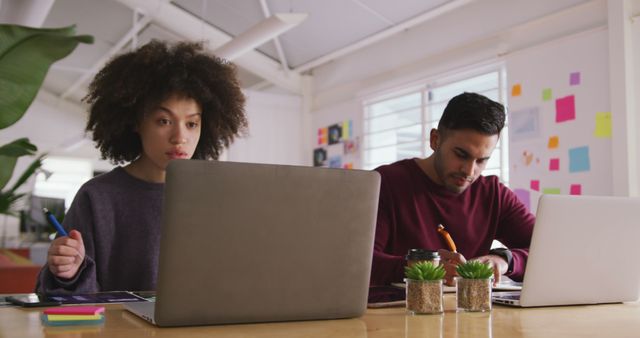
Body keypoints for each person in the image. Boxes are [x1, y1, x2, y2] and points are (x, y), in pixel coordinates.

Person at [36, 40, 247, 294]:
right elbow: (68, 301)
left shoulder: (218, 198)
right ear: (137, 122)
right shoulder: (97, 198)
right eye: (164, 120)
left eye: (192, 124)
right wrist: (68, 273)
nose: (179, 137)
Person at [370, 92, 535, 287]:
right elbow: (359, 263)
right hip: (394, 314)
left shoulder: (494, 195)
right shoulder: (384, 184)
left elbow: (548, 250)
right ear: (435, 140)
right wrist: (423, 269)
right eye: (461, 155)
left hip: (470, 314)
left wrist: (505, 260)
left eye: (482, 160)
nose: (470, 171)